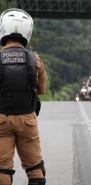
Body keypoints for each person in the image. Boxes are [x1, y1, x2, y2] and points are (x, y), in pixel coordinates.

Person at [0, 8, 47, 185]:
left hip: (1, 120)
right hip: (28, 119)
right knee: (35, 168)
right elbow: (42, 90)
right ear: (28, 31)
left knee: (2, 169)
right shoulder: (35, 59)